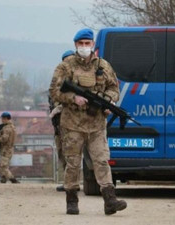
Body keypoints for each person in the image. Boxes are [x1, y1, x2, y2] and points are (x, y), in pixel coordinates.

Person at [49, 28, 127, 215]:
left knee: (101, 161)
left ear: (92, 44)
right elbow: (54, 91)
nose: (84, 47)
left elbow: (114, 89)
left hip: (97, 124)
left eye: (87, 43)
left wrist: (108, 100)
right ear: (76, 45)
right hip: (73, 124)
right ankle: (72, 200)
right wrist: (72, 98)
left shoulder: (103, 66)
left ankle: (110, 200)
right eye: (81, 43)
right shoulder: (65, 66)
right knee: (73, 163)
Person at [50, 50, 76, 192]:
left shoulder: (78, 80)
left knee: (72, 154)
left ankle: (72, 183)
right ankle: (68, 181)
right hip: (59, 125)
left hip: (73, 124)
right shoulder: (58, 80)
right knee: (62, 153)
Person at [0, 111, 19, 184]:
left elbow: (4, 139)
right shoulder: (12, 127)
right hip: (8, 149)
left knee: (3, 166)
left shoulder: (7, 128)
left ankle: (13, 179)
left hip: (6, 149)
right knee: (3, 164)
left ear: (6, 119)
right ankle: (3, 179)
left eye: (3, 119)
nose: (2, 120)